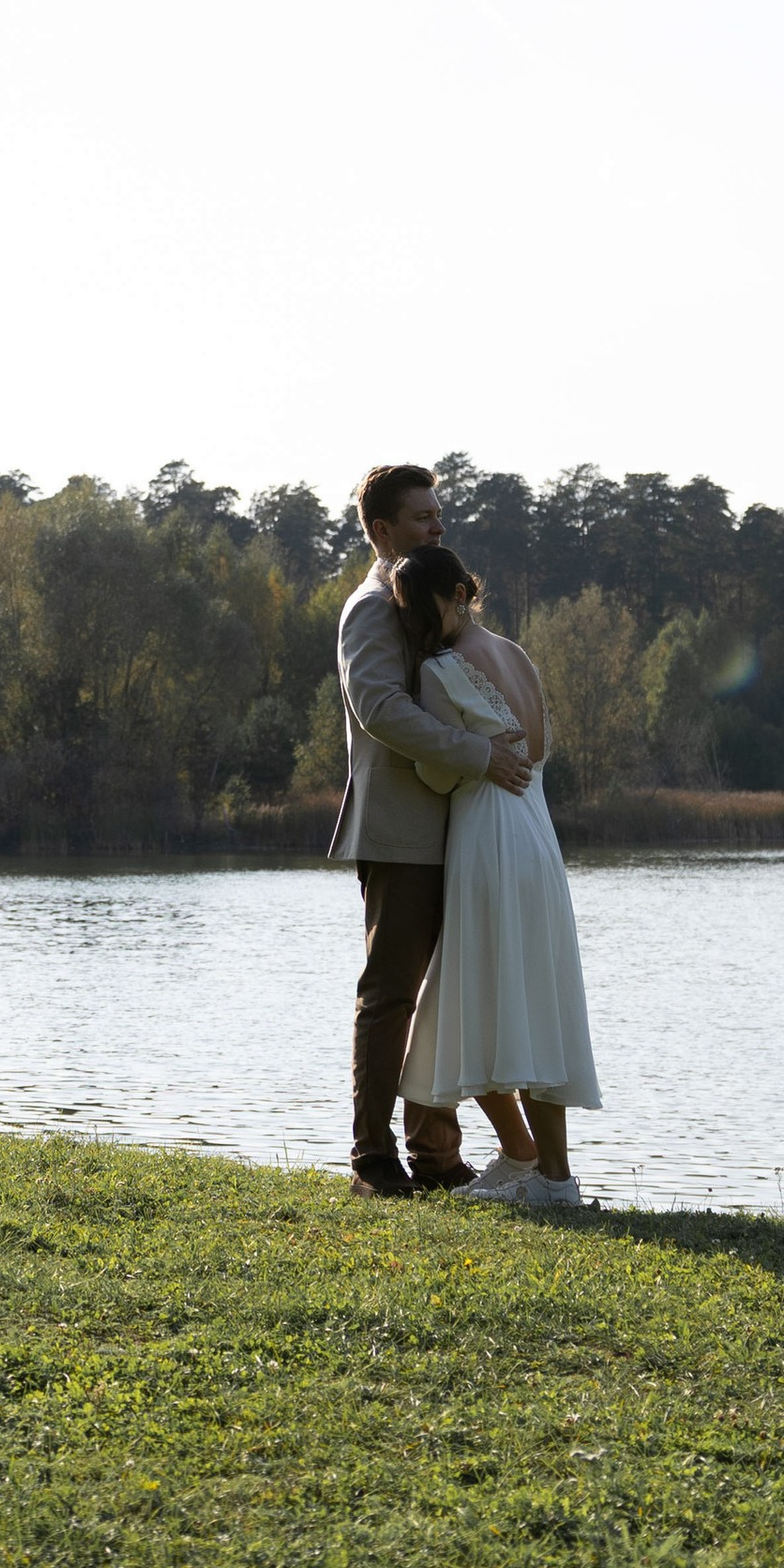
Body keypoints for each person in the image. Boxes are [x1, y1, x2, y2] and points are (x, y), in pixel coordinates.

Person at [328, 462, 537, 1198]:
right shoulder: (370, 609)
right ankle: (373, 1163)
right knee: (391, 998)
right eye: (422, 517)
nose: (438, 526)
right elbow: (379, 707)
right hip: (402, 835)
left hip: (465, 832)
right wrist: (479, 755)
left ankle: (438, 1158)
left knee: (450, 997)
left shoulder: (422, 598)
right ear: (381, 530)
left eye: (439, 514)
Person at [390, 541, 599, 1212]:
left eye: (422, 607)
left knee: (480, 1002)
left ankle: (549, 1177)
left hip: (489, 838)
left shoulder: (441, 669)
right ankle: (531, 1162)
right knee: (525, 999)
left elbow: (439, 769)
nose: (419, 622)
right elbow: (537, 751)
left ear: (457, 592)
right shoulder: (519, 656)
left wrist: (450, 759)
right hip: (538, 837)